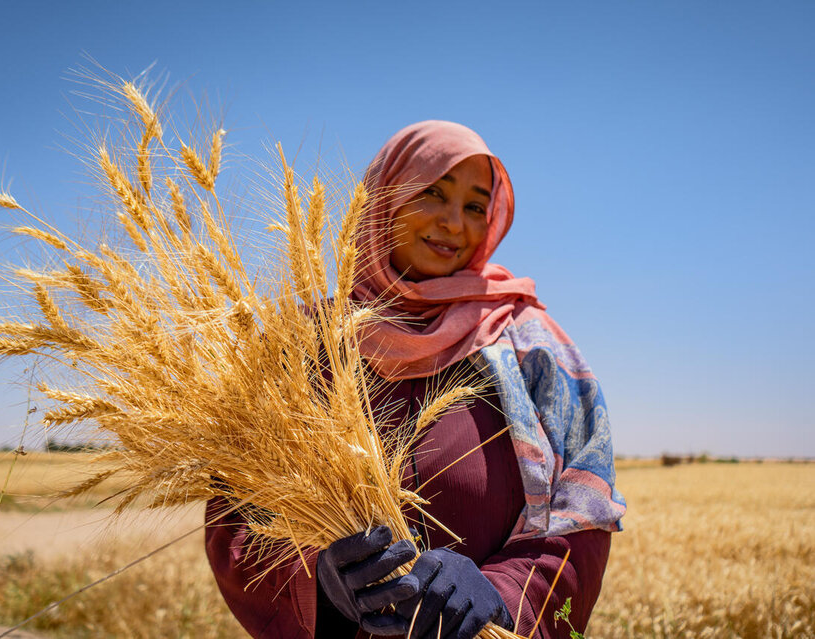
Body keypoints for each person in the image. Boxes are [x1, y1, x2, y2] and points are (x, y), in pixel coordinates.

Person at [205, 120, 626, 638]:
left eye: (475, 206)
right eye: (433, 193)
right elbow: (236, 514)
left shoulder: (531, 346)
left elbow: (583, 515)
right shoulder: (303, 344)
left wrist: (503, 594)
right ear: (383, 200)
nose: (455, 223)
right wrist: (318, 579)